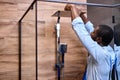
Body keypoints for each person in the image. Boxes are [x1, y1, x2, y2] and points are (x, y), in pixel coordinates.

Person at [64, 4, 115, 80]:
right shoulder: (106, 48)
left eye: (93, 32)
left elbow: (80, 30)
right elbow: (90, 28)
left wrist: (72, 7)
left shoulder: (101, 53)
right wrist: (81, 15)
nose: (91, 32)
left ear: (99, 39)